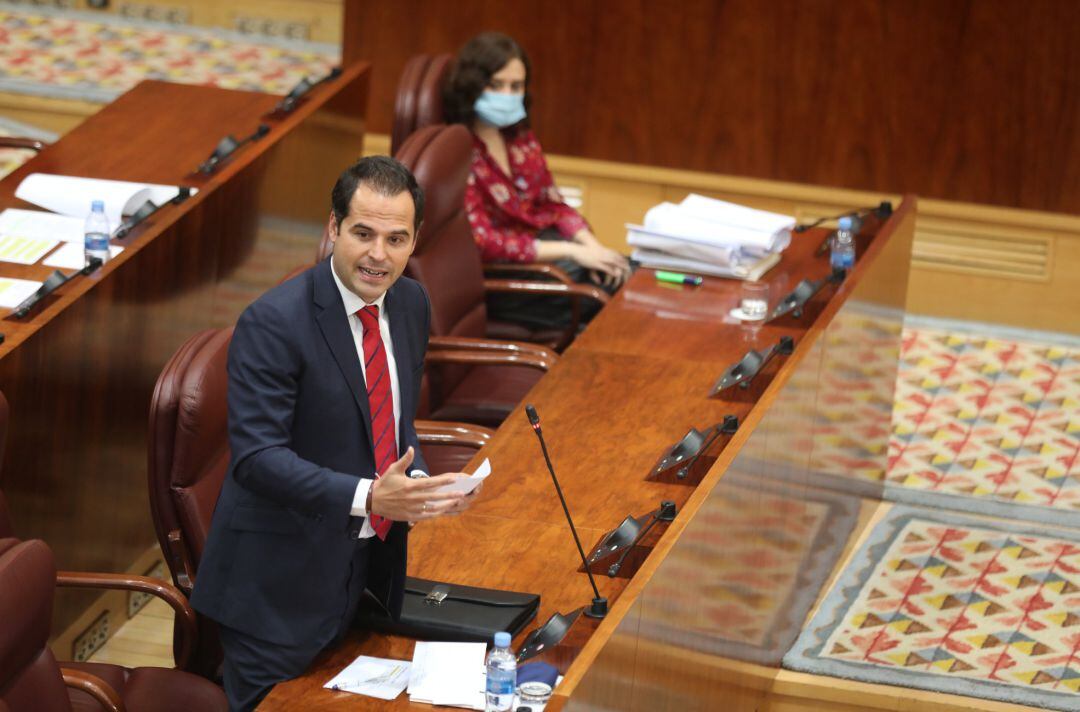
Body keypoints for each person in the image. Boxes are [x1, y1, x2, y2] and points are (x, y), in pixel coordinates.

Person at [191, 156, 480, 711]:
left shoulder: (412, 303)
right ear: (333, 228)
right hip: (276, 593)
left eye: (396, 238)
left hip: (364, 576)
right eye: (363, 234)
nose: (378, 255)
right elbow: (257, 458)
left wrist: (420, 484)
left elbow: (392, 423)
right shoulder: (273, 323)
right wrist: (371, 496)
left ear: (416, 240)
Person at [443, 32, 631, 330]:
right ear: (471, 86)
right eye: (495, 85)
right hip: (505, 276)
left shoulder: (520, 138)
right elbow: (485, 242)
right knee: (621, 299)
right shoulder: (457, 150)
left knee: (625, 270)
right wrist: (573, 252)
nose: (507, 95)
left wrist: (593, 248)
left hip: (549, 256)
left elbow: (554, 206)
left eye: (515, 86)